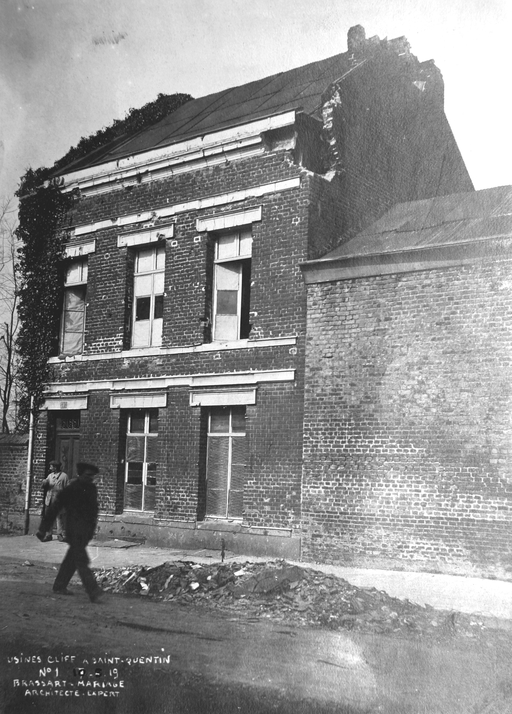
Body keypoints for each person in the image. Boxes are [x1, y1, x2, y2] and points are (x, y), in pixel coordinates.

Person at [36, 462, 104, 603]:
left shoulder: (91, 489)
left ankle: (59, 586)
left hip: (85, 531)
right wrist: (43, 528)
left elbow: (93, 511)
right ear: (80, 475)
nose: (90, 478)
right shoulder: (71, 489)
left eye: (92, 476)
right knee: (81, 560)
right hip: (74, 530)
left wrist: (91, 529)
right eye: (87, 475)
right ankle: (93, 590)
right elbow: (55, 508)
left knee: (71, 560)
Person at [41, 461, 69, 541]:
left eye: (51, 466)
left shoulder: (64, 476)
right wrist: (44, 483)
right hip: (49, 500)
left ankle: (59, 535)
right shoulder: (50, 476)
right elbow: (44, 485)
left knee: (59, 518)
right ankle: (48, 535)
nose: (50, 468)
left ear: (55, 467)